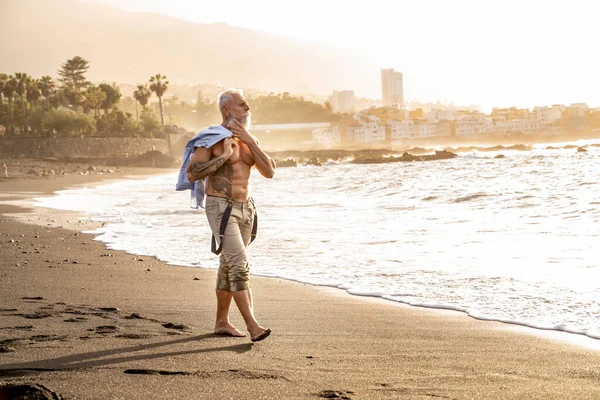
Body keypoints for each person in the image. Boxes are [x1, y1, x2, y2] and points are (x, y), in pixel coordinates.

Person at [186, 89, 275, 342]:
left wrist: (248, 138)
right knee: (238, 265)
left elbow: (269, 171)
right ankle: (253, 326)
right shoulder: (212, 138)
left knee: (227, 265)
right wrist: (224, 156)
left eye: (247, 105)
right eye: (242, 105)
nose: (248, 108)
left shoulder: (249, 140)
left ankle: (221, 322)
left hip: (246, 209)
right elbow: (193, 174)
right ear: (227, 110)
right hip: (221, 208)